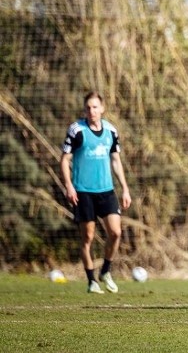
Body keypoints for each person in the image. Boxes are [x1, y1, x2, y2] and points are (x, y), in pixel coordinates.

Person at [60, 91, 132, 294]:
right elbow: (65, 160)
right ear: (85, 110)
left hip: (106, 191)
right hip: (83, 192)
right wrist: (69, 185)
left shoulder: (111, 131)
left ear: (102, 108)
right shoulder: (76, 130)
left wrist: (125, 189)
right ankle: (92, 280)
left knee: (116, 232)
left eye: (95, 107)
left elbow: (116, 161)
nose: (91, 111)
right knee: (88, 238)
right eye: (88, 108)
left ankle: (106, 271)